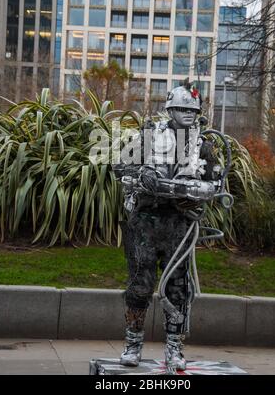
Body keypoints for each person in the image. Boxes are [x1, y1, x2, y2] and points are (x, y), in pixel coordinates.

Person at [114, 80, 218, 370]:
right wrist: (142, 171)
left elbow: (216, 181)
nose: (188, 113)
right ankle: (132, 344)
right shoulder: (149, 135)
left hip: (179, 223)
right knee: (140, 284)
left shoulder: (202, 143)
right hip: (145, 222)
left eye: (192, 109)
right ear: (171, 109)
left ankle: (174, 349)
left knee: (178, 286)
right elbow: (120, 166)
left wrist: (197, 191)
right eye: (183, 108)